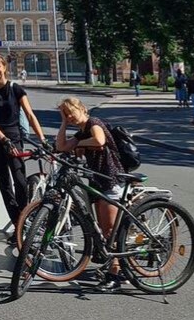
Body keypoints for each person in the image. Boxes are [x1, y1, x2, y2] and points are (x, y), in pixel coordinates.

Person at [54, 96, 125, 291]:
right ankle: (116, 265)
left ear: (82, 108)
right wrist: (62, 123)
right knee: (103, 229)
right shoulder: (81, 132)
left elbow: (99, 139)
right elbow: (61, 146)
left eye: (71, 112)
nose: (70, 117)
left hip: (110, 180)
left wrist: (80, 144)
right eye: (66, 115)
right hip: (98, 182)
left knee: (109, 231)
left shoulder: (94, 123)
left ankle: (116, 275)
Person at [0, 54, 46, 236]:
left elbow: (30, 115)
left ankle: (23, 220)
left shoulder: (15, 89)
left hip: (15, 139)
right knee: (5, 185)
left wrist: (42, 139)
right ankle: (19, 227)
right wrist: (4, 140)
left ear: (4, 68)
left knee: (20, 181)